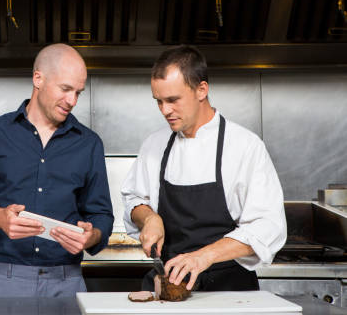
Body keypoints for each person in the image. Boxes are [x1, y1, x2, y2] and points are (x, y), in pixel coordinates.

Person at [0, 43, 114, 298]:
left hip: (67, 281)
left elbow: (102, 215)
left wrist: (91, 237)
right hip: (3, 280)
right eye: (65, 89)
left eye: (78, 93)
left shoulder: (89, 143)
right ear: (38, 78)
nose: (72, 101)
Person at [121, 45, 286, 292]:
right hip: (170, 288)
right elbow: (135, 198)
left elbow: (267, 226)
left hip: (230, 291)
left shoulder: (244, 146)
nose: (165, 110)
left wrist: (203, 256)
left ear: (201, 89)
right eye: (159, 101)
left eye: (173, 100)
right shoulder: (154, 145)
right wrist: (149, 218)